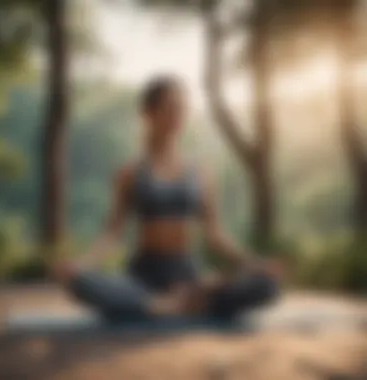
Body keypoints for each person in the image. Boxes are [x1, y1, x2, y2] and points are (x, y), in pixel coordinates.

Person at [52, 75, 281, 322]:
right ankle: (170, 303)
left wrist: (254, 262)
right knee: (81, 284)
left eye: (182, 108)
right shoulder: (130, 173)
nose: (177, 115)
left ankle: (173, 302)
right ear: (148, 113)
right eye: (170, 107)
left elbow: (216, 235)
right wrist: (80, 264)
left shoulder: (202, 173)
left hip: (188, 275)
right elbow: (112, 235)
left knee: (267, 285)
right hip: (143, 275)